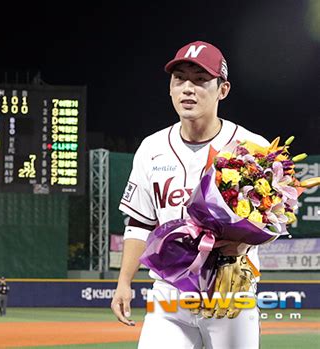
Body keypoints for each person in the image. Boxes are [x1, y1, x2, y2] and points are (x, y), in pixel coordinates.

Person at [110, 40, 269, 348]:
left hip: (230, 295)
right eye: (179, 78)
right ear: (170, 88)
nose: (188, 88)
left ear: (222, 90)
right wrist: (124, 281)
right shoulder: (151, 148)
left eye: (200, 80)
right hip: (169, 296)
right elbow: (139, 223)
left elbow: (274, 220)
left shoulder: (252, 147)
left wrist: (242, 241)